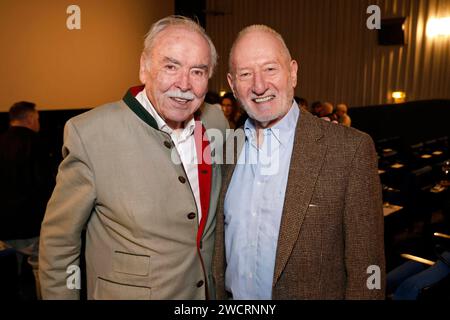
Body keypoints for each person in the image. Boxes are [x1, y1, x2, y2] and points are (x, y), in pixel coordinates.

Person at [39, 15, 228, 300]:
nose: (184, 83)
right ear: (144, 68)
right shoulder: (90, 134)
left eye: (198, 71)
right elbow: (59, 245)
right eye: (170, 66)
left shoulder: (215, 122)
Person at [212, 25, 385, 299]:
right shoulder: (224, 151)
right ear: (233, 85)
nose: (259, 85)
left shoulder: (349, 151)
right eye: (246, 74)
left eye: (270, 69)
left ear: (292, 72)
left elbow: (366, 271)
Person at [0, 102, 51, 256]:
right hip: (31, 224)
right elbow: (45, 183)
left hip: (2, 224)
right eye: (37, 119)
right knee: (39, 270)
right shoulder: (37, 144)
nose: (38, 124)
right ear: (30, 119)